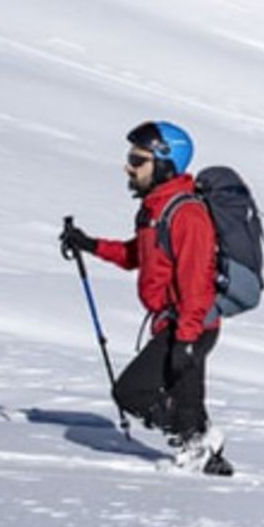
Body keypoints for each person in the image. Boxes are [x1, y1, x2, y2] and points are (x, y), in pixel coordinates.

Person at [59, 121, 229, 475]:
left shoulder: (187, 215)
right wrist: (90, 245)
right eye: (130, 158)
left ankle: (198, 440)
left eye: (137, 160)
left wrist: (185, 340)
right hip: (179, 324)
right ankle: (206, 461)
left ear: (165, 162)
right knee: (187, 408)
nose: (128, 167)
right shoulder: (155, 211)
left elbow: (197, 285)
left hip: (190, 326)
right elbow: (138, 255)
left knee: (131, 392)